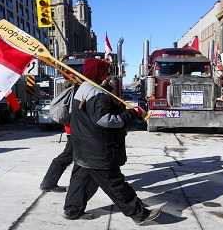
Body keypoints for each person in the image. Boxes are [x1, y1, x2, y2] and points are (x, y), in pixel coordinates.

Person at [63, 58, 161, 225]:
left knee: (80, 180)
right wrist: (130, 114)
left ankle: (72, 210)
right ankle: (140, 214)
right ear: (98, 72)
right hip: (97, 149)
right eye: (106, 72)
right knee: (115, 183)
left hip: (82, 145)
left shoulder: (83, 88)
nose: (108, 76)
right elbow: (105, 120)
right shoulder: (96, 92)